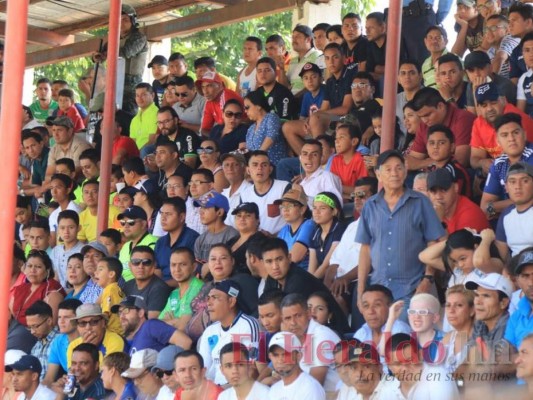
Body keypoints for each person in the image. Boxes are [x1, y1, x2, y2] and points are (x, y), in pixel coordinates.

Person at [356, 150, 445, 318]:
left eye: (398, 168)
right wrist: (361, 290)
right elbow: (365, 249)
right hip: (379, 290)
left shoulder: (420, 202)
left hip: (412, 288)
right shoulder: (370, 206)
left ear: (405, 171)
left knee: (402, 339)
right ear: (378, 174)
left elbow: (433, 242)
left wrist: (428, 279)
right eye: (388, 169)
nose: (394, 173)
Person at [197, 280, 260, 385]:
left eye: (215, 298)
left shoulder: (248, 325)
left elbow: (251, 369)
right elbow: (203, 369)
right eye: (208, 298)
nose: (208, 303)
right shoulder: (209, 331)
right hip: (213, 390)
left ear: (231, 301)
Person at [92, 4, 148, 114]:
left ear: (132, 21)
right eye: (118, 19)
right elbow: (100, 57)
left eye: (125, 19)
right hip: (113, 83)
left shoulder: (139, 37)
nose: (121, 23)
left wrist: (105, 54)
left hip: (131, 87)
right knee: (102, 112)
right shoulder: (113, 38)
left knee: (126, 116)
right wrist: (96, 57)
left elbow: (124, 53)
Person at [470, 81, 533, 175]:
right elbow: (474, 158)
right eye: (484, 105)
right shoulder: (479, 123)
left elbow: (518, 158)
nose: (489, 108)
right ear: (478, 108)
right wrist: (482, 163)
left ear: (503, 100)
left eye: (493, 102)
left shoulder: (516, 120)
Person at [407, 87, 475, 169]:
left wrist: (427, 163)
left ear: (440, 106)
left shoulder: (463, 119)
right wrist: (429, 163)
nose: (424, 120)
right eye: (420, 117)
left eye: (427, 115)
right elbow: (409, 162)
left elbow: (460, 161)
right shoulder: (424, 124)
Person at [481, 114, 533, 220]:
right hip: (509, 220)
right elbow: (484, 208)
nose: (511, 139)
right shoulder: (498, 164)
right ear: (497, 140)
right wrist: (521, 201)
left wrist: (496, 207)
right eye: (505, 135)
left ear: (524, 134)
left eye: (515, 133)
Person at [381, 333, 459, 399]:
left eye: (410, 360)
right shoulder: (388, 390)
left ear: (421, 355)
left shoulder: (439, 376)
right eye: (398, 364)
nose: (405, 368)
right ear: (389, 366)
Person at [111, 295, 192, 354]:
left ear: (140, 313)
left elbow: (185, 342)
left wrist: (171, 371)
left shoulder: (150, 326)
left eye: (125, 311)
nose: (121, 316)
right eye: (120, 313)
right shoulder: (132, 342)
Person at [240, 151, 290, 234]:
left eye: (264, 165)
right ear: (248, 170)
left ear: (270, 169)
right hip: (256, 242)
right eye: (255, 165)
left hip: (281, 242)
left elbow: (294, 219)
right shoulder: (244, 194)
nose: (259, 168)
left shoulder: (284, 187)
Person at [10, 250, 65, 326]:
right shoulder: (20, 289)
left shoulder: (52, 290)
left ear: (47, 270)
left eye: (38, 267)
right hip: (16, 330)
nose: (32, 270)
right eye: (29, 266)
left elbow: (50, 323)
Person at [426, 168, 489, 234]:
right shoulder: (431, 210)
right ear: (428, 193)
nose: (438, 197)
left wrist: (439, 222)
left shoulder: (469, 214)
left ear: (456, 187)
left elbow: (452, 244)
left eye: (443, 190)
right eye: (433, 192)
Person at [268, 331, 326, 400]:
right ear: (270, 357)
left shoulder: (310, 387)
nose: (280, 360)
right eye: (275, 355)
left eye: (286, 354)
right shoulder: (274, 389)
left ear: (298, 356)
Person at [154, 197, 199, 286]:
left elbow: (193, 275)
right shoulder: (160, 242)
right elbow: (157, 270)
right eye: (162, 214)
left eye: (168, 214)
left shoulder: (193, 239)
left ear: (182, 217)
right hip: (161, 289)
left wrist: (161, 286)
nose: (163, 218)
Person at [158, 248, 204, 330]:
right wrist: (174, 321)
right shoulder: (174, 293)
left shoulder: (198, 288)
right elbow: (157, 325)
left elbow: (182, 328)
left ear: (194, 267)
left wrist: (170, 321)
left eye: (183, 264)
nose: (177, 269)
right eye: (173, 265)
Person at [42, 299, 82, 387]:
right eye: (59, 317)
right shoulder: (58, 341)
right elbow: (49, 378)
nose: (61, 321)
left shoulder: (87, 339)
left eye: (66, 317)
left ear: (78, 319)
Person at [193, 190, 239, 267]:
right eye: (201, 208)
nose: (201, 212)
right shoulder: (200, 239)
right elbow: (197, 270)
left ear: (220, 212)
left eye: (206, 208)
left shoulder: (232, 235)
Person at [123, 246, 171, 318]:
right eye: (136, 262)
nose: (140, 266)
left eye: (146, 262)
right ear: (130, 265)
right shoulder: (127, 285)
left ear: (154, 265)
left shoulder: (160, 289)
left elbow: (151, 323)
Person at [275, 185, 315, 270]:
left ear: (302, 209)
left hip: (302, 275)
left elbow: (295, 257)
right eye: (282, 206)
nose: (285, 210)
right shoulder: (285, 229)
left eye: (290, 206)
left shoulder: (309, 225)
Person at [244, 90, 287, 165]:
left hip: (274, 166)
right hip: (257, 168)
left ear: (258, 106)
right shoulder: (251, 128)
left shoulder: (271, 117)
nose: (245, 111)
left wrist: (258, 157)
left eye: (247, 107)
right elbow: (249, 149)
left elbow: (271, 136)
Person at [308, 192, 345, 280]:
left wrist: (310, 284)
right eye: (314, 208)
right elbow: (311, 268)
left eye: (322, 208)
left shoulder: (339, 229)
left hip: (338, 279)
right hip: (320, 280)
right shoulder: (315, 233)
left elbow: (326, 265)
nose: (316, 212)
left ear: (334, 211)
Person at [117, 205, 158, 282]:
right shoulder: (125, 246)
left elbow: (157, 273)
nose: (126, 226)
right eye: (123, 223)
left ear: (143, 224)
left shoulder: (153, 243)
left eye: (131, 222)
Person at [282, 24, 325, 96]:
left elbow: (318, 83)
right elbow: (286, 85)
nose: (294, 40)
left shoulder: (318, 56)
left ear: (308, 39)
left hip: (307, 100)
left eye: (297, 36)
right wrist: (281, 69)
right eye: (293, 37)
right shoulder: (293, 61)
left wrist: (295, 97)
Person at [441, 285, 475, 373]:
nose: (451, 310)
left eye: (459, 305)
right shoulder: (447, 338)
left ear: (472, 310)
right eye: (448, 305)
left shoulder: (480, 338)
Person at [198, 70, 243, 136]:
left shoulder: (227, 96)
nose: (205, 91)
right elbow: (204, 129)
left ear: (220, 86)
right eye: (203, 87)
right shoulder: (210, 101)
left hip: (240, 131)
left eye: (209, 86)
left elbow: (230, 127)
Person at [299, 140, 343, 207]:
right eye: (305, 154)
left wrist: (305, 197)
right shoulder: (302, 183)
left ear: (321, 158)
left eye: (314, 155)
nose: (308, 158)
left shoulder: (327, 177)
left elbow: (335, 205)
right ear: (300, 158)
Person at [506, 248, 533, 351]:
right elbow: (506, 356)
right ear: (517, 280)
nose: (531, 283)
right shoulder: (516, 316)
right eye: (525, 276)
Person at [24, 301, 58, 381]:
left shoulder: (61, 341)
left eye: (35, 326)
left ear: (49, 321)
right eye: (29, 327)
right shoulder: (36, 347)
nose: (32, 331)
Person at [228, 202, 266, 273]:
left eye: (248, 215)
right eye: (239, 215)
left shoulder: (260, 240)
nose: (242, 218)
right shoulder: (232, 240)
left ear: (257, 220)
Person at [50, 210, 85, 287]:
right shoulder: (56, 251)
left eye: (71, 227)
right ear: (58, 229)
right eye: (62, 228)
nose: (66, 232)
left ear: (79, 228)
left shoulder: (83, 251)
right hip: (59, 292)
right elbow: (56, 277)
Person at [93, 257, 124, 336]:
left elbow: (106, 314)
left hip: (114, 333)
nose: (95, 272)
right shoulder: (113, 288)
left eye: (100, 269)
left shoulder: (110, 289)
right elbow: (95, 305)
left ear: (111, 274)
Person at [221, 152, 251, 227]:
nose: (230, 168)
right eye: (226, 165)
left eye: (235, 164)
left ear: (244, 169)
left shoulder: (250, 191)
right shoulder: (223, 194)